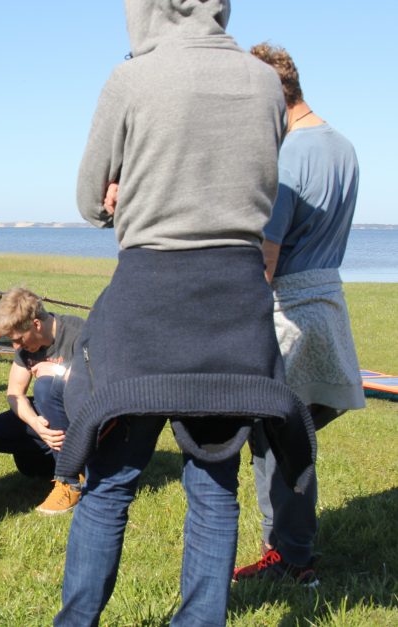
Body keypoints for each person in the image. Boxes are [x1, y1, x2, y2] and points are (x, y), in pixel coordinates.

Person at [53, 2, 316, 624]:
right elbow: (256, 174)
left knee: (111, 482)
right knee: (214, 487)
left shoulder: (133, 77)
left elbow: (92, 200)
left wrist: (127, 194)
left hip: (149, 291)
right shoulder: (262, 81)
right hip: (234, 295)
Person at [232, 43, 365, 586]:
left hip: (291, 315)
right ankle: (289, 549)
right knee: (293, 436)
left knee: (277, 440)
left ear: (273, 95)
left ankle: (289, 559)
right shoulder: (345, 146)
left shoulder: (288, 157)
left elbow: (266, 258)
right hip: (329, 309)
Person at [0, 288, 85, 515]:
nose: (16, 347)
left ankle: (71, 479)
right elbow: (14, 393)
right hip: (54, 419)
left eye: (18, 339)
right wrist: (36, 423)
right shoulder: (26, 347)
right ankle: (55, 466)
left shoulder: (79, 333)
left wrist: (57, 371)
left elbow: (101, 382)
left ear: (36, 324)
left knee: (45, 385)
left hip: (86, 420)